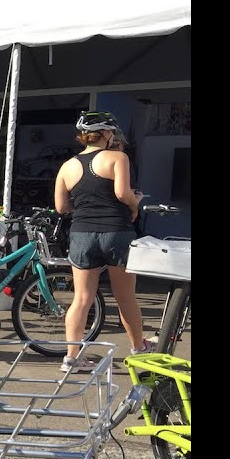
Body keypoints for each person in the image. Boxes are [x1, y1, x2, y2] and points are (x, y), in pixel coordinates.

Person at [54, 111, 151, 371]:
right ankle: (138, 349)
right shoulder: (118, 157)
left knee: (82, 298)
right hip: (117, 231)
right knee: (125, 296)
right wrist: (136, 203)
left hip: (82, 234)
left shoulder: (67, 166)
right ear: (107, 134)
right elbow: (122, 193)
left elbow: (61, 207)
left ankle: (72, 358)